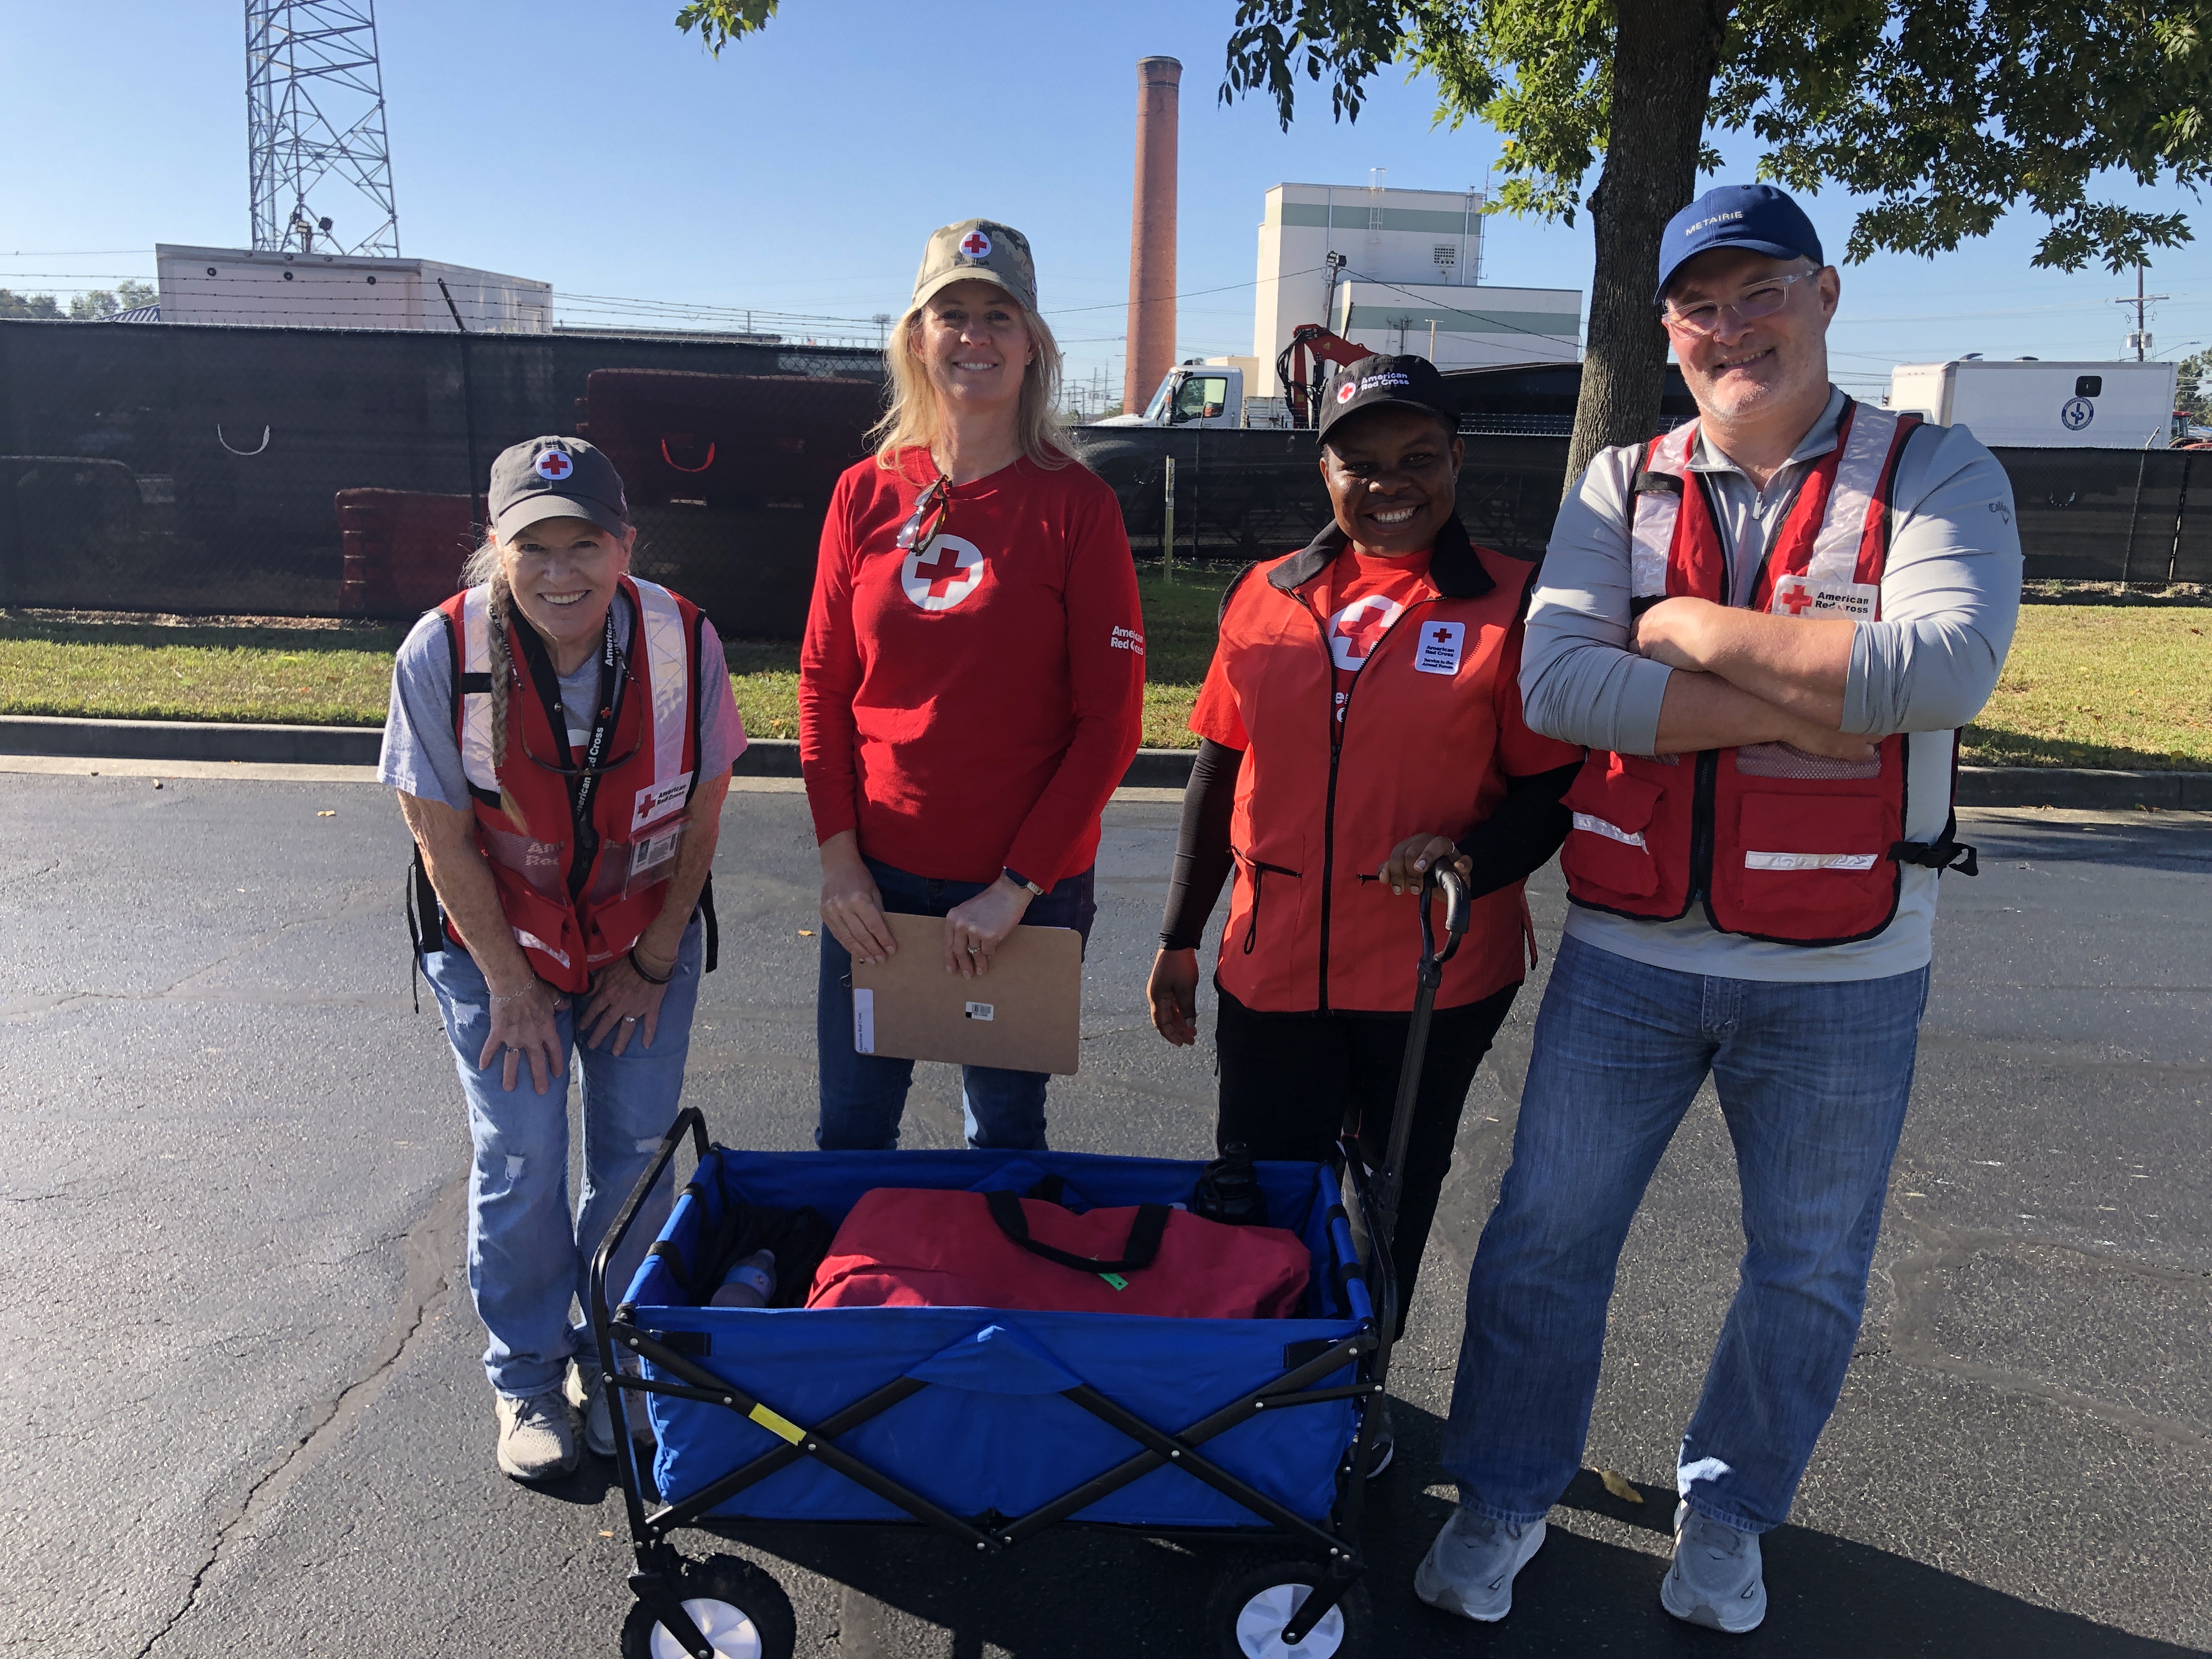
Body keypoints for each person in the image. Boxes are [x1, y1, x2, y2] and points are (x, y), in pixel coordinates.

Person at [1416, 185, 2021, 1630]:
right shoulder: (1619, 482)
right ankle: (1503, 1491)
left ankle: (1730, 1514)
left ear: (1826, 294)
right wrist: (1812, 696)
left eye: (1762, 292)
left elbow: (1940, 673)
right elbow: (1559, 687)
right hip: (1626, 951)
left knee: (1806, 1273)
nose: (1730, 326)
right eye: (1701, 304)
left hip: (1848, 970)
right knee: (1543, 1239)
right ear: (1668, 325)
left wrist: (1682, 632)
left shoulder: (1935, 470)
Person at [1145, 354, 1583, 1475]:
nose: (1391, 481)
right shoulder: (1265, 593)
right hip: (1274, 963)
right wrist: (1180, 937)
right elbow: (1216, 767)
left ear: (1455, 459)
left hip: (1436, 973)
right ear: (1324, 467)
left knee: (1392, 1199)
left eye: (1417, 457)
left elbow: (1552, 787)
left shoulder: (1514, 597)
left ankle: (1356, 1389)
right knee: (1268, 1185)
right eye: (1362, 460)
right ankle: (1260, 1391)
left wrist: (1470, 863)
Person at [379, 436, 744, 1483]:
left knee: (635, 1156)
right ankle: (528, 1374)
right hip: (500, 946)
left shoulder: (681, 639)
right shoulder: (442, 654)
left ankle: (614, 1359)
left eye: (585, 543)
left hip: (643, 936)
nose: (561, 572)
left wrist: (657, 957)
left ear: (625, 545)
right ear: (495, 549)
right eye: (534, 546)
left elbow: (708, 806)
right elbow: (439, 835)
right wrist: (512, 985)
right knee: (525, 1155)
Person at [800, 219, 1144, 1151]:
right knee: (853, 1133)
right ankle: (865, 1298)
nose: (975, 336)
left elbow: (1110, 722)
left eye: (1000, 315)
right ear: (917, 337)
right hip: (874, 887)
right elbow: (825, 684)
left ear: (1033, 344)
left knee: (1001, 1137)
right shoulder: (863, 494)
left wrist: (1016, 887)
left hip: (1020, 893)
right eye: (951, 313)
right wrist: (839, 863)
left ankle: (987, 1301)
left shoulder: (1078, 506)